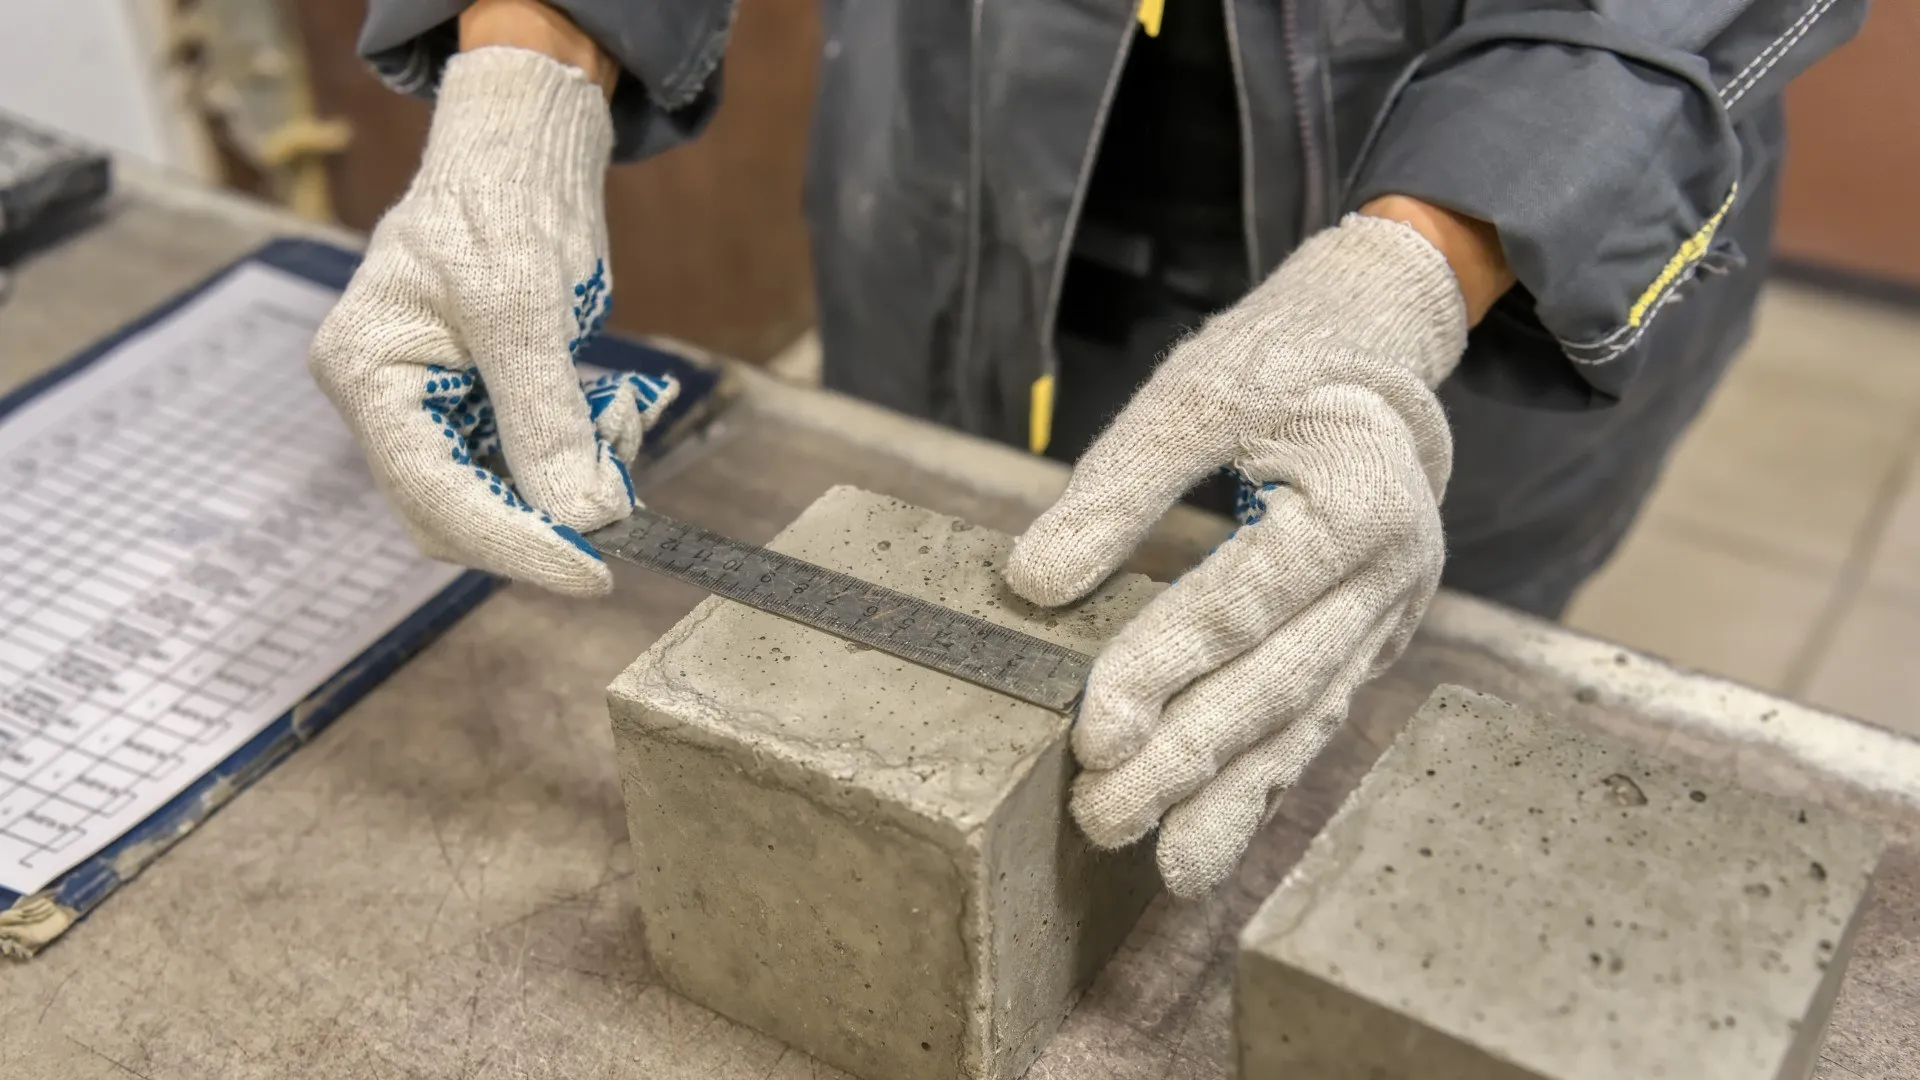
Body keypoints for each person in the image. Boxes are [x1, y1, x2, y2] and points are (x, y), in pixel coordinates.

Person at [309, 0, 1866, 898]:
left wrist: (1435, 257)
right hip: (952, 184)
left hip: (1487, 267)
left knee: (1336, 772)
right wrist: (528, 58)